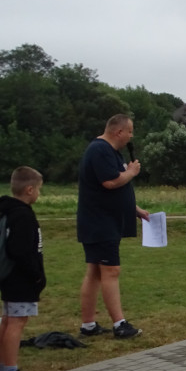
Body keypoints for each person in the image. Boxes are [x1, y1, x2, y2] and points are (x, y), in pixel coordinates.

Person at [77, 114, 148, 340]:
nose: (131, 136)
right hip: (100, 222)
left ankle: (88, 324)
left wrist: (135, 209)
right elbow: (110, 182)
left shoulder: (109, 152)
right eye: (130, 131)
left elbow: (117, 186)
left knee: (95, 272)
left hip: (100, 220)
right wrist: (131, 172)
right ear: (118, 132)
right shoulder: (100, 150)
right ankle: (120, 325)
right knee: (110, 271)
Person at [0, 167, 46, 371]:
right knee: (16, 323)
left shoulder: (7, 210)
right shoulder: (23, 215)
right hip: (21, 278)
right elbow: (19, 250)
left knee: (8, 320)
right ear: (29, 190)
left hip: (8, 276)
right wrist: (36, 275)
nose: (39, 194)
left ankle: (3, 366)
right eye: (39, 190)